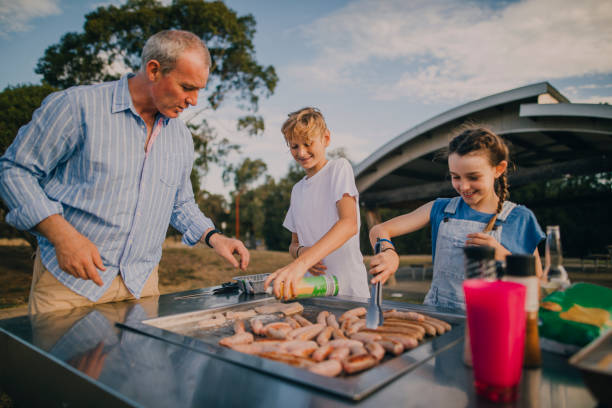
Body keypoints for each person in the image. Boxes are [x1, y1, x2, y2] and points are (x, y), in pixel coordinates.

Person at [0, 30, 249, 314]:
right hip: (69, 286)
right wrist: (62, 236)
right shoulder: (76, 106)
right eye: (186, 87)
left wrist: (215, 237)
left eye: (198, 90)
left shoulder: (181, 136)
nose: (194, 100)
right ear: (154, 70)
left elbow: (180, 203)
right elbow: (14, 170)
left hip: (142, 287)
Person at [368, 127, 545, 311]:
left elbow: (538, 287)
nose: (464, 186)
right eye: (455, 177)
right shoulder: (439, 208)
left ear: (498, 169)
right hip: (438, 319)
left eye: (473, 177)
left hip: (493, 324)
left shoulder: (521, 218)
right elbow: (379, 230)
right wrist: (388, 251)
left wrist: (503, 256)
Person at [264, 107, 369, 300]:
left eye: (307, 143)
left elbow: (349, 224)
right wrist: (303, 253)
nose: (301, 152)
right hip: (311, 291)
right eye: (294, 146)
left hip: (349, 292)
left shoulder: (339, 169)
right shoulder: (297, 190)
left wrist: (301, 263)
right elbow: (293, 245)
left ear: (326, 139)